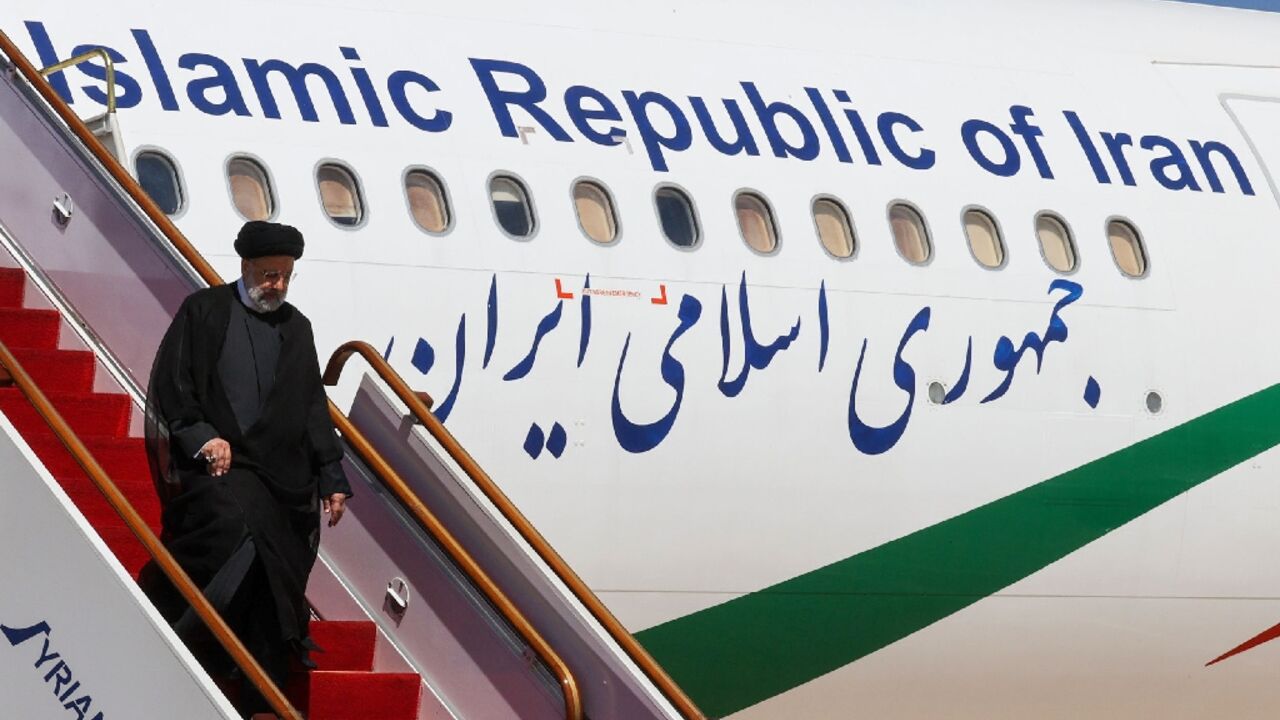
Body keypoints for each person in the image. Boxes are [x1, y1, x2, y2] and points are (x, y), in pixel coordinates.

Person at [139, 220, 352, 716]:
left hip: (283, 477)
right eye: (269, 274)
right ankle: (183, 638)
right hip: (216, 469)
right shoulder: (204, 311)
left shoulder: (297, 328)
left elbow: (312, 407)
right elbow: (176, 388)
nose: (276, 285)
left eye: (285, 276)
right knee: (232, 524)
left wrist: (332, 476)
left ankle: (260, 691)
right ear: (246, 266)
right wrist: (203, 437)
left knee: (275, 552)